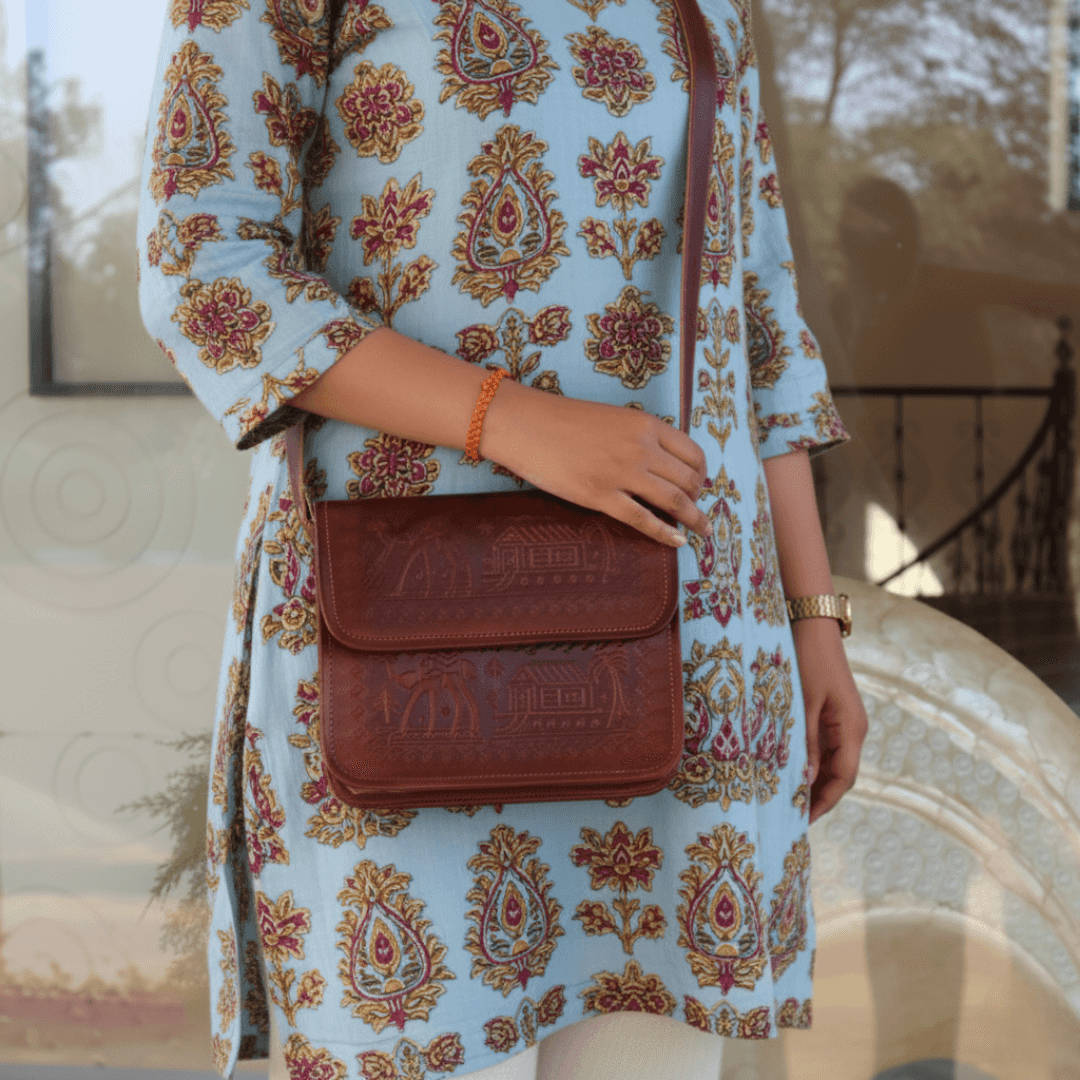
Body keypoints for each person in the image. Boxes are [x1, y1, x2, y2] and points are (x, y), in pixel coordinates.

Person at [137, 2, 867, 1078]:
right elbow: (205, 268)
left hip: (693, 651)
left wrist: (812, 617)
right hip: (401, 644)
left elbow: (755, 309)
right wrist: (516, 424)